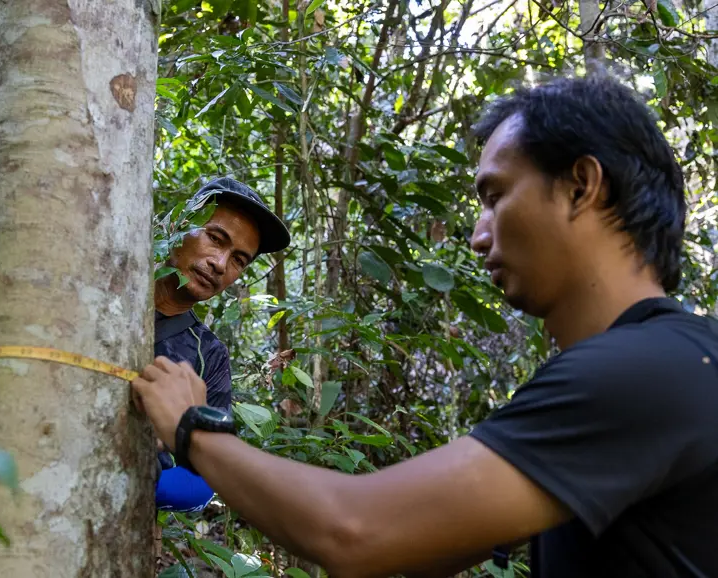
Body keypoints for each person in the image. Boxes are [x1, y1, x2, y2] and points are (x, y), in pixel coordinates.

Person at [131, 75, 718, 577]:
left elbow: (354, 530)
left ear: (581, 186)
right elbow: (421, 548)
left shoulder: (648, 371)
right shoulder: (655, 366)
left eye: (496, 196)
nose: (479, 234)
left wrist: (192, 431)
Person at [152, 177, 290, 513]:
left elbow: (204, 477)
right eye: (215, 238)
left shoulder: (208, 354)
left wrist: (143, 475)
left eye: (239, 260)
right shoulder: (103, 287)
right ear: (179, 224)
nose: (220, 264)